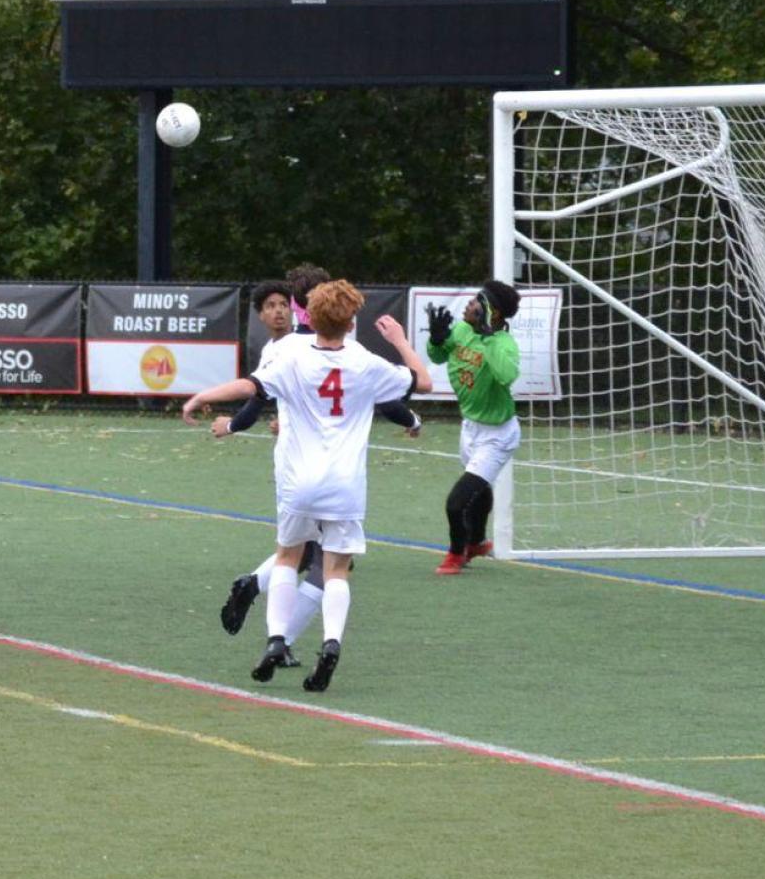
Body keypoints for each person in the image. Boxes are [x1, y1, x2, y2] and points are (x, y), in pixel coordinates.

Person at [183, 280, 429, 693]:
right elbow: (420, 384)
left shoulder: (293, 357)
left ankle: (276, 639)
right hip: (346, 484)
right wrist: (402, 342)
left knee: (286, 556)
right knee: (337, 568)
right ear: (352, 322)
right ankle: (331, 644)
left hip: (299, 481)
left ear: (308, 317)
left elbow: (249, 389)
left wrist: (202, 396)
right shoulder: (365, 362)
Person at [426, 279, 523, 574]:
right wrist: (437, 338)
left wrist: (489, 337)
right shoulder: (462, 330)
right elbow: (437, 356)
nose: (468, 305)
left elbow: (506, 375)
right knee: (479, 489)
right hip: (470, 427)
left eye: (476, 301)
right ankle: (479, 541)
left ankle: (457, 553)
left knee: (456, 504)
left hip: (498, 433)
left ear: (491, 312)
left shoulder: (503, 342)